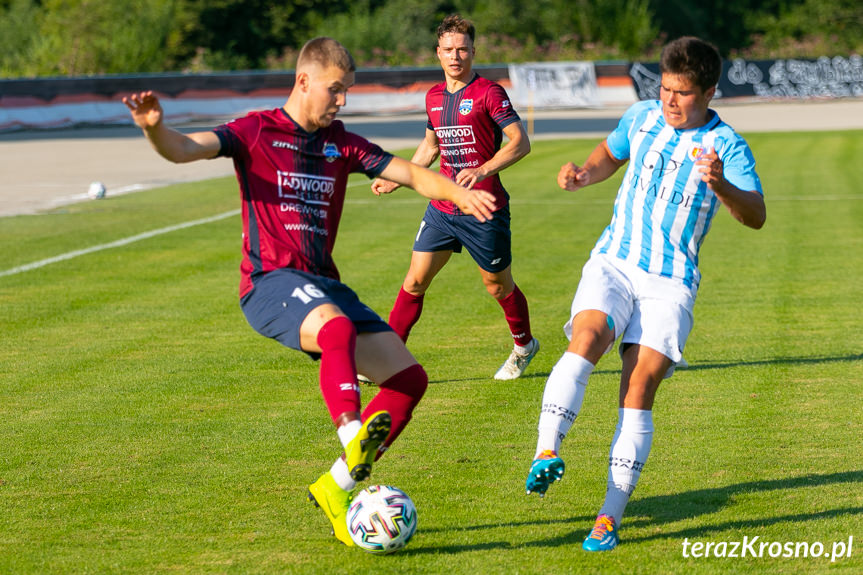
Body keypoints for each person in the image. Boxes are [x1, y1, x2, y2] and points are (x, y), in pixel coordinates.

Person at [123, 37, 497, 547]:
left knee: (409, 380)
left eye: (347, 92)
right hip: (269, 283)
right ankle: (351, 436)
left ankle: (335, 486)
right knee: (336, 328)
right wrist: (155, 129)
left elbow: (409, 172)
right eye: (335, 90)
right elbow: (187, 149)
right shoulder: (255, 130)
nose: (341, 101)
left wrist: (460, 192)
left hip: (324, 282)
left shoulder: (341, 142)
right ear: (303, 81)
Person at [524, 36, 766, 552]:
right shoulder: (641, 117)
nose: (669, 101)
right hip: (615, 260)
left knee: (638, 388)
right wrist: (584, 174)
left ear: (708, 93)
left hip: (671, 281)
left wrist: (721, 186)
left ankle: (609, 516)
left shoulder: (728, 147)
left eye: (682, 93)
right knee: (586, 337)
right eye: (664, 88)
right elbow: (612, 153)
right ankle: (546, 451)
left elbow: (756, 216)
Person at [371, 14, 538, 381]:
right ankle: (387, 359)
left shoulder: (489, 93)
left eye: (462, 49)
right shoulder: (432, 97)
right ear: (438, 53)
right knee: (414, 281)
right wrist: (396, 178)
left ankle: (524, 346)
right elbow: (430, 147)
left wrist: (482, 170)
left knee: (497, 285)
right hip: (443, 206)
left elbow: (520, 142)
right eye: (448, 49)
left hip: (483, 207)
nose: (455, 56)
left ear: (473, 51)